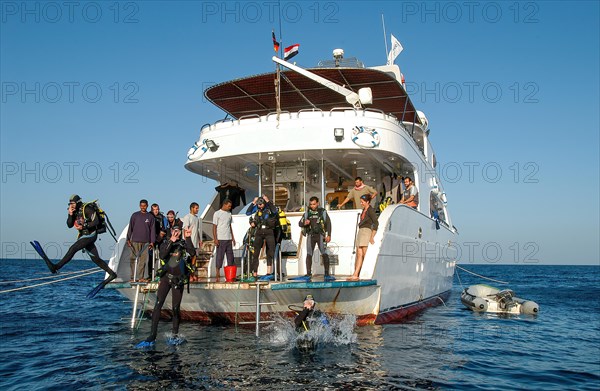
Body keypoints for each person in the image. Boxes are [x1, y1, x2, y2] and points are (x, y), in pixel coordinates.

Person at [32, 194, 117, 297]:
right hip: (83, 236)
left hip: (91, 235)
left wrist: (84, 225)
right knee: (96, 259)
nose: (71, 205)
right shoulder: (74, 211)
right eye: (70, 203)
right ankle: (112, 274)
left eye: (72, 203)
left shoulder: (87, 208)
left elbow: (96, 221)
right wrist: (70, 214)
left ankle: (56, 267)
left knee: (73, 248)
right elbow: (69, 225)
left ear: (77, 202)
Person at [136, 225, 195, 347]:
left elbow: (193, 252)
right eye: (174, 230)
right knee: (158, 305)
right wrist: (170, 241)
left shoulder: (183, 244)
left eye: (178, 231)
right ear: (171, 231)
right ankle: (152, 335)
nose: (176, 233)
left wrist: (188, 238)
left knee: (175, 308)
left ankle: (174, 335)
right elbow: (162, 255)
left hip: (177, 280)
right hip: (165, 278)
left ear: (181, 232)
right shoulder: (166, 243)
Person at [298, 196, 334, 281]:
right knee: (309, 254)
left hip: (321, 235)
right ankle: (308, 273)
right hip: (311, 235)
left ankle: (326, 273)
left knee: (324, 253)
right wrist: (305, 222)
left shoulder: (322, 212)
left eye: (314, 204)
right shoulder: (307, 213)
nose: (312, 206)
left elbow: (328, 223)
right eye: (311, 204)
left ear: (317, 203)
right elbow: (300, 223)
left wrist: (329, 235)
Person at [246, 195, 278, 280]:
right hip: (259, 231)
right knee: (256, 252)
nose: (260, 205)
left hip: (269, 231)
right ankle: (255, 273)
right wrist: (253, 203)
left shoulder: (269, 208)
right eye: (258, 204)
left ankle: (269, 271)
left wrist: (267, 201)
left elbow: (275, 211)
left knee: (270, 251)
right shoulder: (257, 209)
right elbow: (248, 213)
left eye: (261, 204)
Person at [349, 194, 378, 280]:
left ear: (367, 202)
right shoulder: (364, 210)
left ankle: (368, 273)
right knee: (359, 254)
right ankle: (356, 274)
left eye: (362, 201)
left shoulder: (370, 210)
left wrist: (372, 236)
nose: (361, 203)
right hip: (361, 231)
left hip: (366, 231)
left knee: (365, 254)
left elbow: (376, 223)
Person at [126, 199, 155, 282]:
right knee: (133, 259)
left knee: (143, 260)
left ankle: (141, 277)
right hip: (134, 241)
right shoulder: (135, 215)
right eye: (141, 205)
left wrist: (152, 242)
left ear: (147, 206)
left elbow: (152, 230)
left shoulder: (150, 217)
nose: (143, 207)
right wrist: (128, 239)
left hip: (146, 242)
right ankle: (132, 277)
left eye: (144, 206)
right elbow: (130, 228)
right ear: (139, 206)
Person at [212, 199, 236, 281]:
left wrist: (233, 237)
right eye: (229, 206)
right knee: (219, 257)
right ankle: (217, 274)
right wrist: (215, 238)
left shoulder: (229, 214)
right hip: (220, 239)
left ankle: (230, 275)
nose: (230, 207)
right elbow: (214, 227)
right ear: (224, 204)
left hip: (228, 239)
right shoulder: (217, 214)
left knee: (230, 258)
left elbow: (229, 226)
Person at [149, 203, 168, 279]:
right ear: (151, 210)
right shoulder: (149, 216)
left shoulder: (162, 217)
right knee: (151, 257)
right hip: (151, 239)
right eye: (154, 210)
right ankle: (150, 275)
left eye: (157, 209)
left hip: (160, 238)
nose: (156, 211)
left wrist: (161, 235)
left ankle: (163, 273)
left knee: (162, 256)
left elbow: (165, 228)